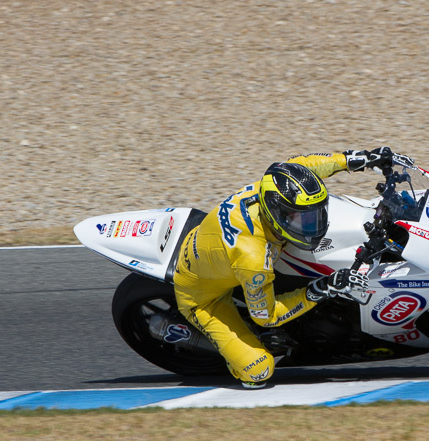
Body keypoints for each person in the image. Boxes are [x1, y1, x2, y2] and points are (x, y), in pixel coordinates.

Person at [172, 147, 409, 388]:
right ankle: (211, 344)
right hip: (203, 297)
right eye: (303, 220)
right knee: (258, 371)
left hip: (214, 249)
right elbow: (267, 316)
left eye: (316, 215)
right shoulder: (253, 260)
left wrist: (359, 159)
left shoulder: (275, 185)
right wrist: (323, 287)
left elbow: (304, 166)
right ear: (278, 214)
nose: (313, 225)